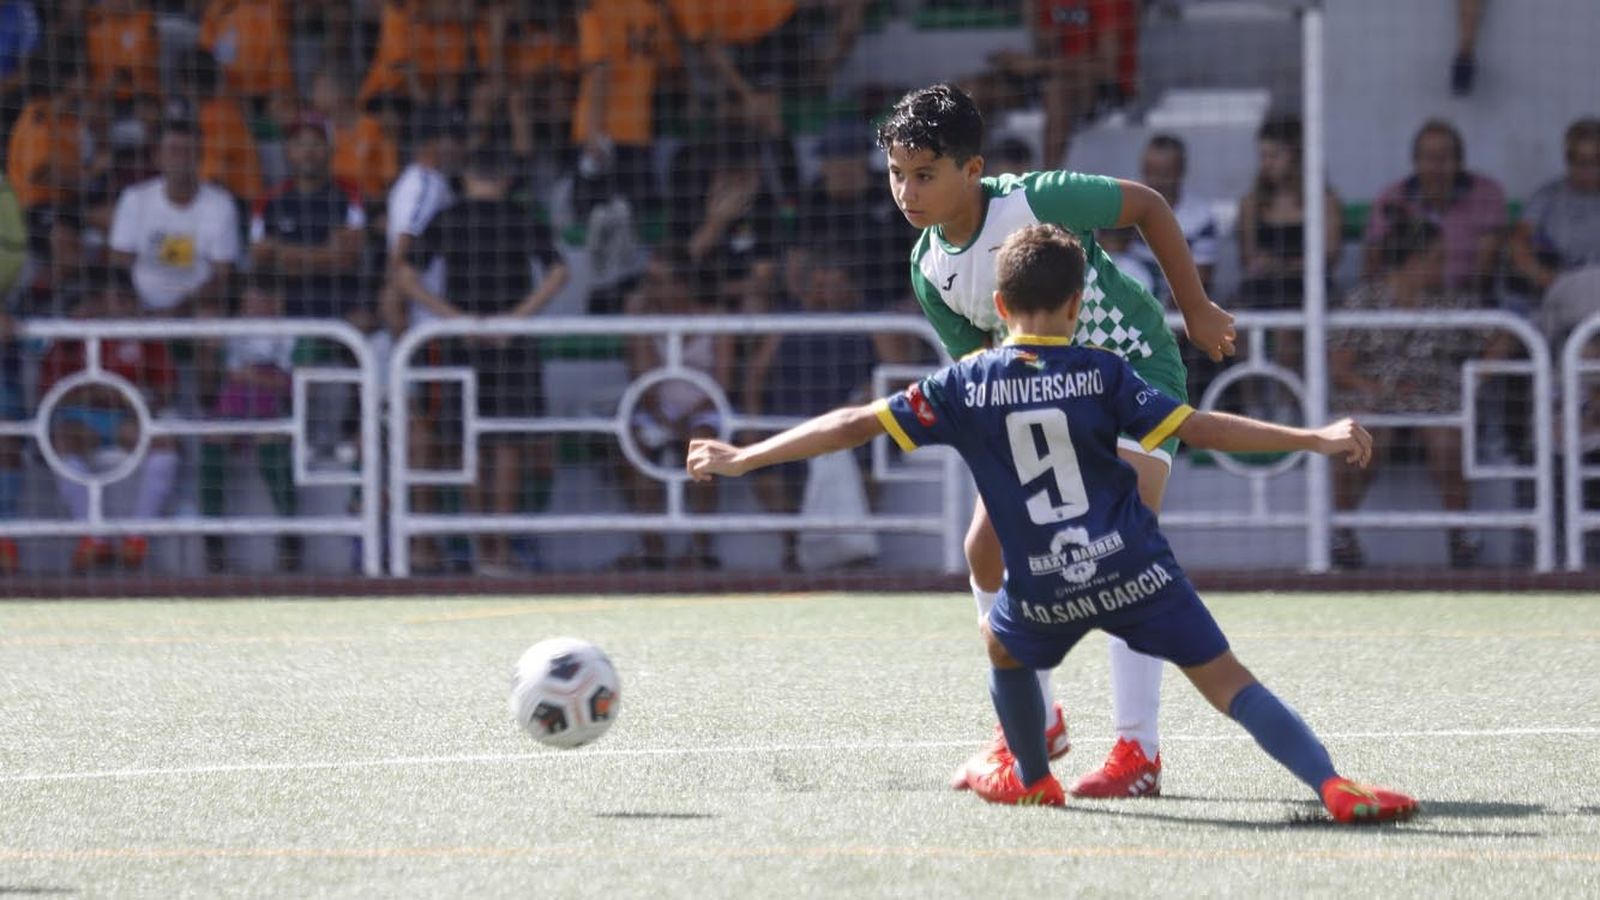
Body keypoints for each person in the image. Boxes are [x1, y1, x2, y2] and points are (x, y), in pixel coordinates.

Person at [686, 224, 1416, 824]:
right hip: (1135, 569)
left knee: (1000, 645)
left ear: (999, 305)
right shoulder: (1105, 371)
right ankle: (1332, 785)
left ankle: (1033, 777)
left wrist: (745, 457)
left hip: (1044, 586)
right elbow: (1200, 427)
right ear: (1076, 305)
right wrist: (1311, 438)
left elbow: (853, 423)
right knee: (1230, 682)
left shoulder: (965, 384)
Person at [875, 83, 1236, 799]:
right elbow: (985, 370)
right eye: (896, 173)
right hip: (1047, 398)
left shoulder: (1038, 199)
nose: (906, 192)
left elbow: (1147, 206)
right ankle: (1033, 723)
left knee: (1123, 549)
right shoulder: (928, 268)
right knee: (984, 546)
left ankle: (1138, 750)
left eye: (924, 174)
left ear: (972, 169)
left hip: (1136, 372)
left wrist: (1195, 307)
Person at [396, 146, 569, 576]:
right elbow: (559, 271)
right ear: (507, 179)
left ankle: (481, 548)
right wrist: (517, 319)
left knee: (470, 444)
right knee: (506, 444)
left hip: (463, 343)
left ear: (465, 178)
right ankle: (500, 551)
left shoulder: (448, 218)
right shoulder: (521, 217)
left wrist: (455, 319)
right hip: (512, 343)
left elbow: (405, 275)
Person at [1331, 214, 1483, 570]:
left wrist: (1479, 374)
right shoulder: (1364, 301)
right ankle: (1342, 533)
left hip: (1434, 397)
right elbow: (1340, 369)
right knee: (1362, 435)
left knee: (1446, 438)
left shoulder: (1451, 303)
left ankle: (1460, 535)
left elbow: (1504, 335)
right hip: (1375, 397)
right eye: (1437, 258)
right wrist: (1380, 390)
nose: (1444, 267)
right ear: (1414, 260)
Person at [40, 269, 178, 572]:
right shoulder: (73, 335)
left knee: (164, 445)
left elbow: (166, 391)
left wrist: (132, 399)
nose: (123, 307)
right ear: (98, 301)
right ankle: (94, 537)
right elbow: (50, 394)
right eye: (116, 299)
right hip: (81, 418)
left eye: (129, 300)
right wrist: (93, 394)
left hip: (129, 416)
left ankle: (136, 538)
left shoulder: (146, 336)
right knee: (62, 440)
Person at [201, 275, 297, 572]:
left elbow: (294, 385)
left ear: (275, 301)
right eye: (247, 303)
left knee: (270, 438)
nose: (251, 308)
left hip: (273, 409)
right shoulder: (233, 331)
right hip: (233, 406)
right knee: (212, 437)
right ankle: (212, 538)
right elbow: (209, 389)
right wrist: (209, 352)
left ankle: (290, 536)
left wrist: (253, 377)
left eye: (258, 302)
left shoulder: (292, 331)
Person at [1362, 120, 1506, 297]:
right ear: (1415, 162)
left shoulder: (1485, 193)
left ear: (1459, 162)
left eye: (1444, 157)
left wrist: (1457, 302)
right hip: (1401, 299)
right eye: (1429, 157)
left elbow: (1486, 267)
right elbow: (1373, 262)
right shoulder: (1392, 196)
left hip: (1466, 299)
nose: (1436, 167)